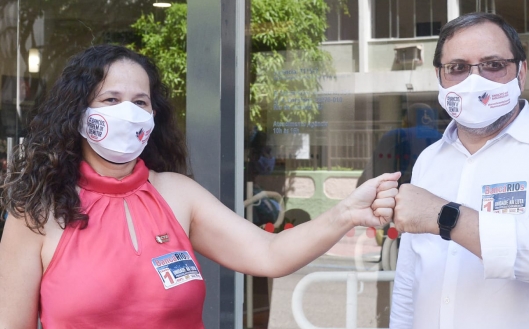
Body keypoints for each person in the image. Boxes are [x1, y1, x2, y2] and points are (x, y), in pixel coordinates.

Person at [0, 44, 401, 328]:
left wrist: (346, 212)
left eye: (140, 102)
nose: (128, 112)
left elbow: (270, 253)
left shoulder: (177, 194)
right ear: (79, 114)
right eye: (111, 99)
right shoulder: (37, 213)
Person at [390, 12, 529, 329]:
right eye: (457, 68)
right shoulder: (429, 159)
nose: (475, 81)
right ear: (439, 77)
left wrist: (446, 216)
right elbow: (409, 276)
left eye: (493, 65)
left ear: (521, 73)